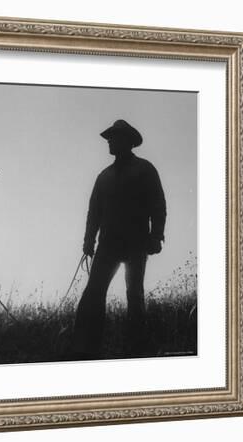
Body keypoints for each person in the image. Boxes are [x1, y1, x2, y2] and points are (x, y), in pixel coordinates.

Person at [73, 119, 167, 359]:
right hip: (107, 245)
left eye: (113, 138)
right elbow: (93, 212)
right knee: (94, 293)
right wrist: (88, 240)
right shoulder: (103, 176)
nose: (109, 142)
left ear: (126, 141)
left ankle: (137, 348)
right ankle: (86, 348)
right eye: (109, 138)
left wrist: (156, 236)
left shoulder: (145, 169)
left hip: (137, 244)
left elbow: (158, 205)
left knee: (134, 294)